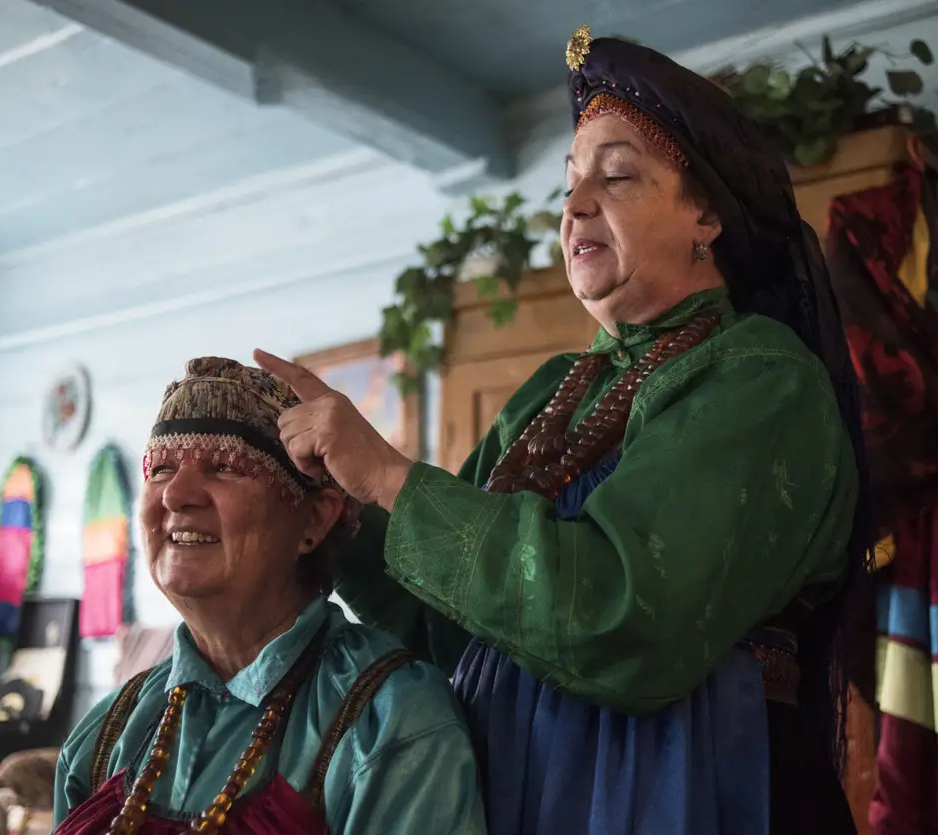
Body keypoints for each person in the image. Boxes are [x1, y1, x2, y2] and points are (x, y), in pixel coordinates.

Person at [253, 26, 873, 835]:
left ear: (708, 215)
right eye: (570, 182)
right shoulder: (555, 390)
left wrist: (388, 477)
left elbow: (628, 614)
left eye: (616, 175)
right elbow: (441, 625)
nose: (576, 204)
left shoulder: (760, 376)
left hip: (688, 788)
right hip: (521, 789)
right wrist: (340, 505)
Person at [52, 357, 486, 835]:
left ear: (315, 520)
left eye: (224, 467)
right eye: (162, 468)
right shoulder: (106, 733)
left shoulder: (391, 719)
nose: (176, 495)